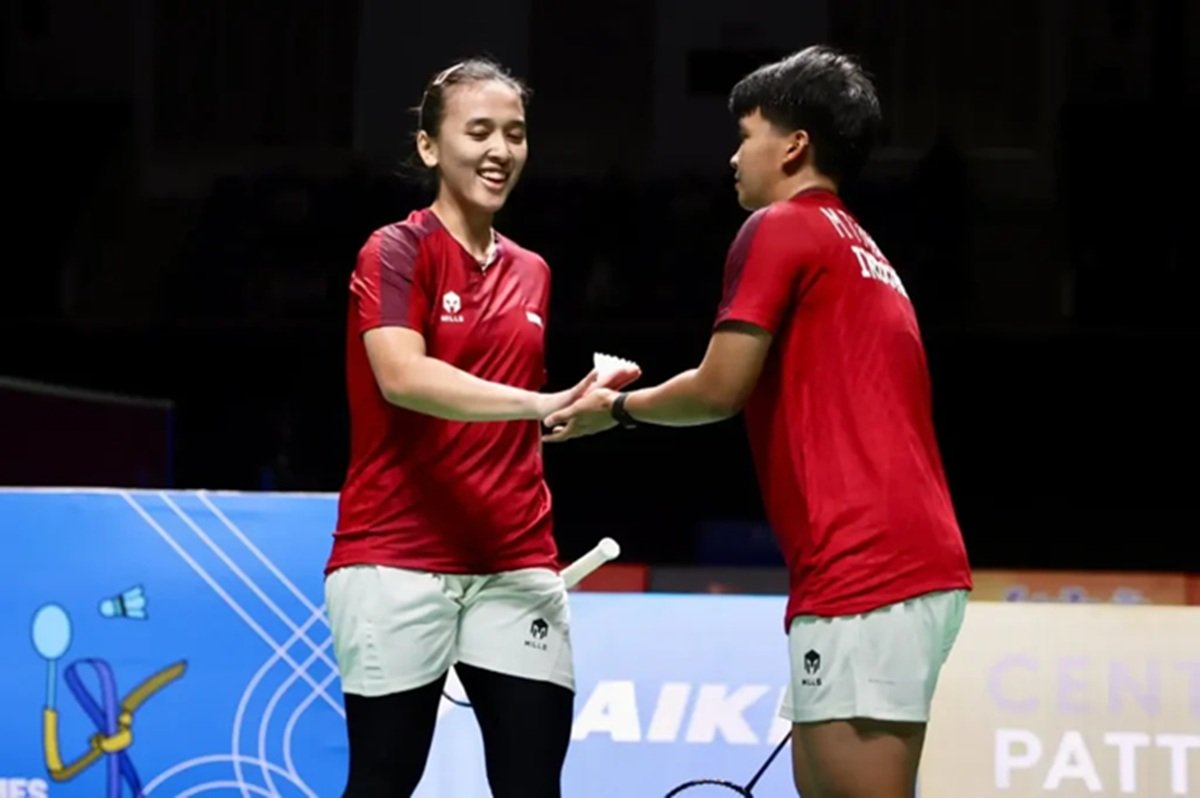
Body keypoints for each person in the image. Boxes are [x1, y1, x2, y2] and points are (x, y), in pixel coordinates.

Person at [543, 45, 972, 798]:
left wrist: (616, 410)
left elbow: (719, 389)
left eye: (746, 135)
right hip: (899, 562)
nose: (734, 157)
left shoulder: (782, 227)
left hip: (867, 566)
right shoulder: (863, 250)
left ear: (794, 146)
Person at [323, 57, 637, 798]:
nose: (501, 150)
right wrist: (540, 401)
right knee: (383, 781)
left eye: (515, 134)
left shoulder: (534, 271)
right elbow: (404, 378)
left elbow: (510, 416)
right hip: (398, 556)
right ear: (430, 146)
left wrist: (581, 414)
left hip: (514, 559)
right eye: (479, 131)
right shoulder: (395, 251)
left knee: (532, 785)